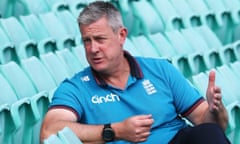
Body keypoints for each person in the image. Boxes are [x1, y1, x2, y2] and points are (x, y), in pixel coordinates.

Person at [40, 1, 230, 144]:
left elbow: (212, 125)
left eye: (100, 39)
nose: (93, 48)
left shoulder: (160, 70)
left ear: (121, 35)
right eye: (87, 41)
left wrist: (216, 110)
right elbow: (49, 132)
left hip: (174, 139)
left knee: (209, 134)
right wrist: (115, 131)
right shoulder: (76, 87)